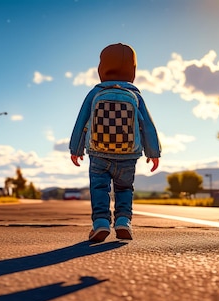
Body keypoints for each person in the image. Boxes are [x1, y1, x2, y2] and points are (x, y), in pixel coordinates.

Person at [69, 43, 161, 243]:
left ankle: (101, 223)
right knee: (125, 188)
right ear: (133, 70)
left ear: (101, 69)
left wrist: (75, 148)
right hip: (128, 153)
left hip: (98, 152)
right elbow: (147, 125)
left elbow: (81, 120)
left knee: (99, 188)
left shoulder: (95, 93)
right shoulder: (136, 96)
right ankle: (123, 221)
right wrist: (153, 152)